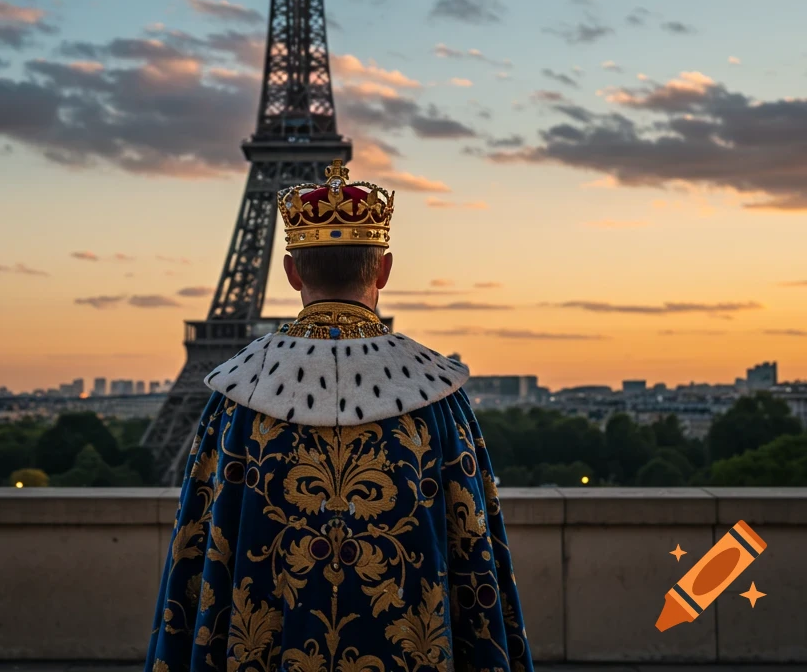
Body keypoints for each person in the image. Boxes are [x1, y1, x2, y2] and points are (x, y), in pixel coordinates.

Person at [145, 159, 533, 672]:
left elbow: (202, 552)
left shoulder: (237, 401)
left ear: (290, 271)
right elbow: (473, 560)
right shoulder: (440, 400)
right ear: (385, 269)